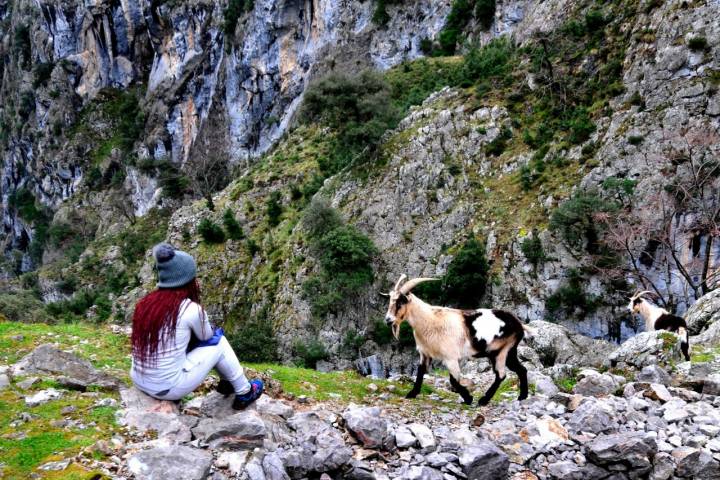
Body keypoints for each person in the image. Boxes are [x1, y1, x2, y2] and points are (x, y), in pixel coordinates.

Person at [130, 243, 263, 409]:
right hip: (167, 388)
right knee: (219, 341)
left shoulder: (146, 304)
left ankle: (228, 384)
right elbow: (207, 338)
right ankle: (244, 391)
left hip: (139, 380)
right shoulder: (190, 309)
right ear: (185, 280)